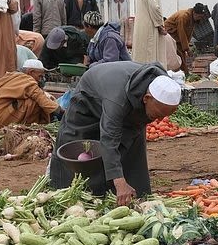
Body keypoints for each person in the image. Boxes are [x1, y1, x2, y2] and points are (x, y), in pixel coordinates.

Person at [49, 62, 181, 204]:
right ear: (146, 98)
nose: (159, 120)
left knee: (133, 146)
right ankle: (72, 195)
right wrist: (119, 182)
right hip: (88, 104)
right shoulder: (117, 99)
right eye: (158, 114)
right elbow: (109, 139)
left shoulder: (163, 85)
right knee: (80, 148)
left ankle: (137, 196)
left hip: (126, 104)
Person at [0, 59, 62, 130]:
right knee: (35, 102)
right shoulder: (28, 80)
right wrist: (62, 113)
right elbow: (43, 100)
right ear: (30, 72)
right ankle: (31, 126)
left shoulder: (13, 76)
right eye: (39, 76)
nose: (40, 79)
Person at [131, 0, 166, 64]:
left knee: (147, 57)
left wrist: (160, 25)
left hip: (149, 29)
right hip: (148, 27)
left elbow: (154, 8)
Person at [164, 3, 210, 73]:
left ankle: (182, 72)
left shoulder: (193, 18)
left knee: (181, 54)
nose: (200, 19)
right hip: (170, 35)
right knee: (179, 55)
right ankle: (184, 73)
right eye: (199, 17)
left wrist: (187, 46)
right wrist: (187, 49)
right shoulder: (183, 16)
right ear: (194, 13)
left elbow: (188, 33)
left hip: (177, 37)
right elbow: (182, 33)